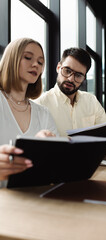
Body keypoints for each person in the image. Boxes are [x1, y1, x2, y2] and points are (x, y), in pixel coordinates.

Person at [35, 47, 106, 137]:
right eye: (67, 70)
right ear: (58, 67)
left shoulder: (91, 101)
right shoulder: (40, 104)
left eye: (78, 75)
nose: (71, 78)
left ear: (84, 78)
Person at [0, 38, 59, 186]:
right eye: (28, 57)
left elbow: (57, 163)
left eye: (40, 62)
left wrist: (48, 149)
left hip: (34, 197)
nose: (36, 65)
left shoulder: (43, 113)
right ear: (11, 59)